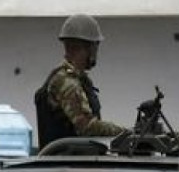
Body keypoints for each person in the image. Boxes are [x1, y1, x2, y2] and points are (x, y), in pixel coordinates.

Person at [34, 14, 127, 148]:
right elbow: (87, 127)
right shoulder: (66, 82)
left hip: (71, 162)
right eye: (95, 46)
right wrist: (126, 132)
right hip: (67, 164)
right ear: (87, 47)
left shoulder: (76, 79)